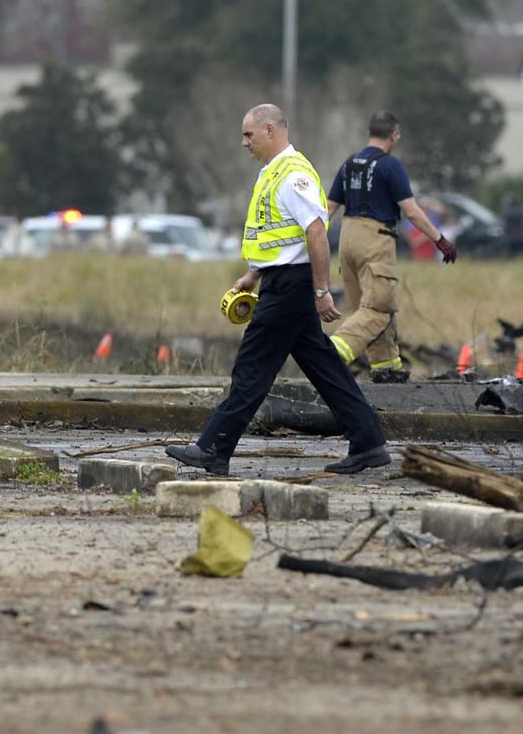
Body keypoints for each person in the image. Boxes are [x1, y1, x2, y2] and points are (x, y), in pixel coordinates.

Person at [166, 104, 390, 476]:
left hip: (292, 287)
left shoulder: (293, 174)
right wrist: (254, 275)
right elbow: (278, 235)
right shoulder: (271, 173)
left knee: (252, 367)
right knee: (325, 367)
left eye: (248, 134)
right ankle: (368, 443)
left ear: (270, 130)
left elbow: (316, 234)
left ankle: (213, 448)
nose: (243, 142)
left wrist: (321, 292)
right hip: (280, 280)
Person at [325, 111, 458, 383]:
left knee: (364, 307)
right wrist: (439, 239)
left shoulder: (349, 163)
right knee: (378, 308)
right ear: (394, 135)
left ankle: (386, 367)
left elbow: (327, 209)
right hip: (375, 240)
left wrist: (308, 241)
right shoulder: (390, 166)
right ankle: (331, 353)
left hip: (347, 239)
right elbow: (411, 211)